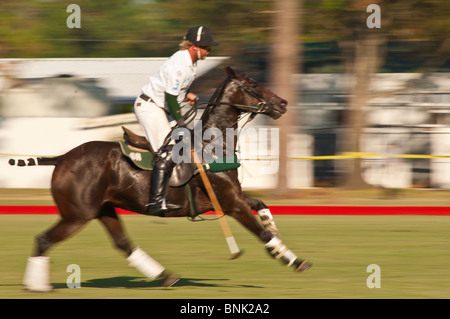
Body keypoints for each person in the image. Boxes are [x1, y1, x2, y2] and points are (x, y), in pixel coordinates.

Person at [134, 26, 219, 216]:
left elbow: (174, 91)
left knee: (178, 146)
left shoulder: (190, 62)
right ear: (195, 46)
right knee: (168, 152)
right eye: (206, 47)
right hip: (150, 106)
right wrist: (180, 123)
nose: (209, 51)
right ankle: (155, 202)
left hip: (159, 106)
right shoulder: (179, 65)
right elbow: (171, 98)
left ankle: (165, 197)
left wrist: (186, 94)